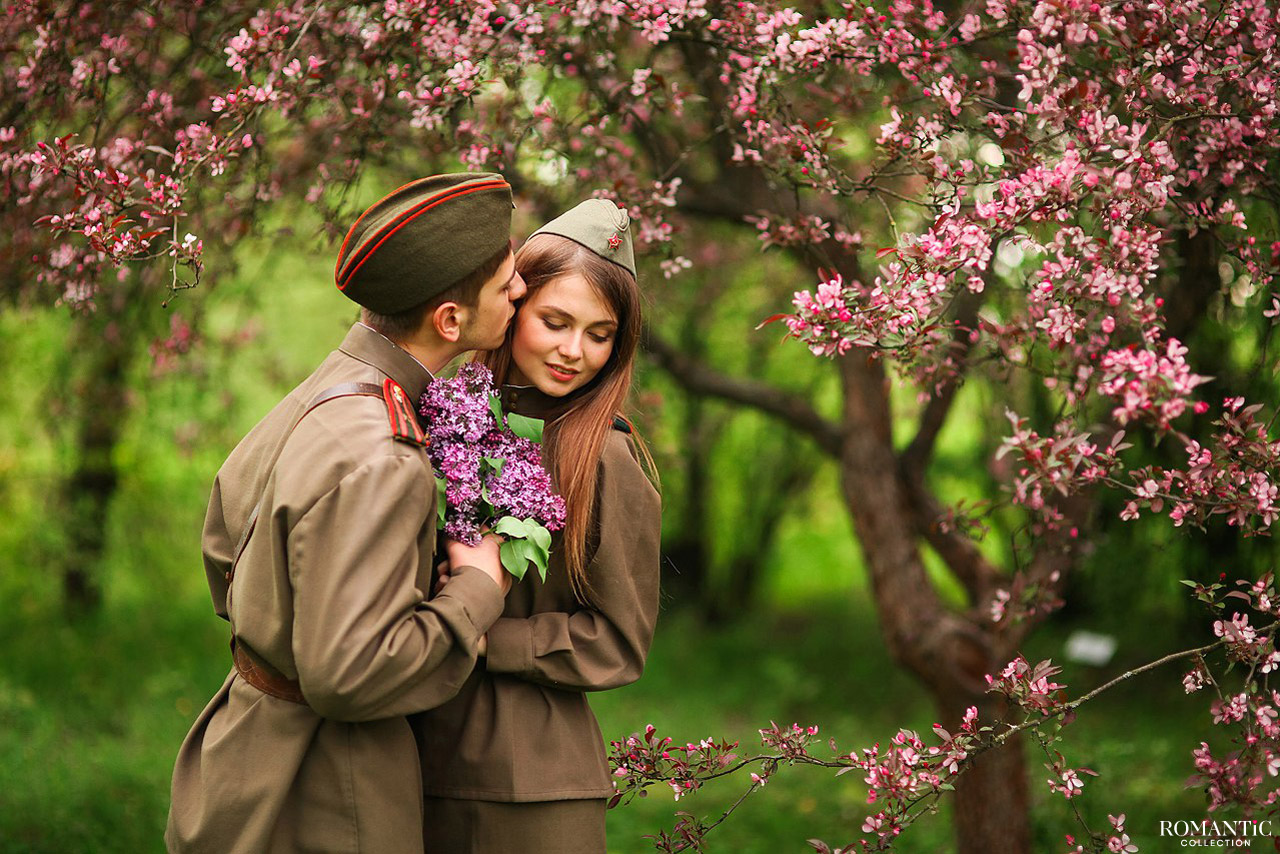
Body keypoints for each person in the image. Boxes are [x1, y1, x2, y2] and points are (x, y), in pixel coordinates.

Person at [166, 172, 528, 854]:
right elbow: (347, 678)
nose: (521, 292)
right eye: (507, 283)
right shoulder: (383, 457)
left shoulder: (331, 386)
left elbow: (222, 544)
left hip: (241, 750)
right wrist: (476, 592)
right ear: (449, 320)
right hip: (322, 794)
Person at [411, 198, 662, 854]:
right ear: (511, 306)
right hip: (403, 755)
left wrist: (492, 639)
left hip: (530, 786)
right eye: (554, 321)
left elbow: (620, 640)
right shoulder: (439, 414)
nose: (573, 351)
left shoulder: (605, 454)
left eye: (599, 334)